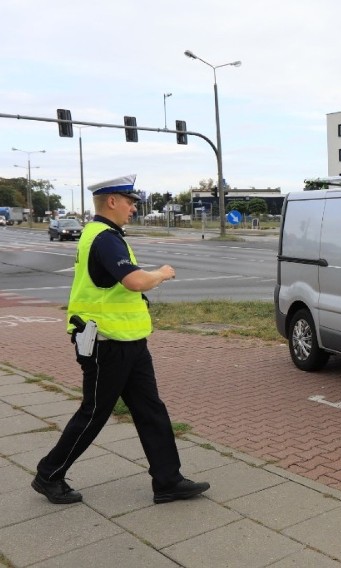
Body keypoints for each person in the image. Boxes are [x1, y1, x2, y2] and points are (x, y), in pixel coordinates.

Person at [32, 174, 210, 505]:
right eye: (130, 202)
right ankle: (49, 474)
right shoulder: (104, 238)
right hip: (106, 344)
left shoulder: (105, 235)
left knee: (150, 408)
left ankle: (168, 480)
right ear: (112, 201)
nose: (133, 208)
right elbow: (134, 281)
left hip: (129, 341)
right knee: (95, 411)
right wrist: (163, 273)